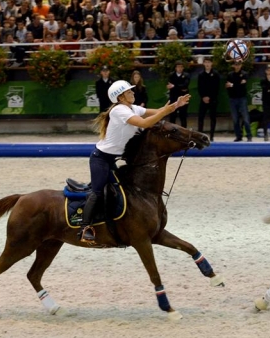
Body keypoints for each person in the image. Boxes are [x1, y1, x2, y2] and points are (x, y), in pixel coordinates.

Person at [79, 80, 191, 243]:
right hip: (101, 159)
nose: (133, 93)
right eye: (129, 91)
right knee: (97, 192)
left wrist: (175, 105)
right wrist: (166, 110)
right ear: (121, 97)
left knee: (121, 190)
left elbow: (157, 112)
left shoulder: (133, 108)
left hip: (111, 160)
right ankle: (84, 228)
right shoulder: (119, 111)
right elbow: (145, 122)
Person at [226, 61, 253, 142]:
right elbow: (227, 86)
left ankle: (249, 136)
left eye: (239, 65)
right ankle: (238, 136)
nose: (237, 66)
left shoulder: (244, 74)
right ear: (233, 65)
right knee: (235, 119)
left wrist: (233, 85)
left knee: (245, 118)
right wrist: (236, 85)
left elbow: (242, 86)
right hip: (232, 99)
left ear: (241, 65)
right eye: (236, 65)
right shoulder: (230, 75)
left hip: (242, 99)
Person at [197, 57, 221, 141]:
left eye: (209, 62)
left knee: (213, 118)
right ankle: (200, 136)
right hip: (203, 99)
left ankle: (212, 136)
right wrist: (203, 97)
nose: (207, 64)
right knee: (201, 117)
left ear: (211, 64)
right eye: (206, 62)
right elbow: (200, 87)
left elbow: (216, 88)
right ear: (203, 64)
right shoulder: (201, 75)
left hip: (213, 100)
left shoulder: (216, 74)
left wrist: (210, 97)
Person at [166, 61, 191, 127]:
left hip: (183, 98)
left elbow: (185, 85)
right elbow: (169, 86)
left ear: (183, 68)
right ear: (175, 68)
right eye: (178, 67)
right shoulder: (171, 75)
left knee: (183, 117)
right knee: (172, 116)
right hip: (173, 98)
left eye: (181, 67)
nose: (179, 68)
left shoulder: (186, 75)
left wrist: (174, 86)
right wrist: (180, 88)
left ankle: (184, 134)